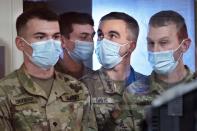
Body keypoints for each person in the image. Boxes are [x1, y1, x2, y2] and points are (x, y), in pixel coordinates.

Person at [0, 8, 97, 131]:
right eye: (41, 37)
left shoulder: (77, 88)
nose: (51, 43)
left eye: (55, 36)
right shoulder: (4, 92)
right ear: (21, 43)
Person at [123, 10, 195, 131]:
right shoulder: (132, 93)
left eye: (163, 42)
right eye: (151, 43)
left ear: (184, 45)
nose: (155, 50)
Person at [81, 12, 146, 131]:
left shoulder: (150, 87)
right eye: (100, 35)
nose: (103, 41)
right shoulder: (82, 87)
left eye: (112, 35)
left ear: (131, 46)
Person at [55, 12, 95, 79]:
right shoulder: (47, 75)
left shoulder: (94, 78)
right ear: (62, 41)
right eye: (84, 37)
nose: (90, 42)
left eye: (92, 36)